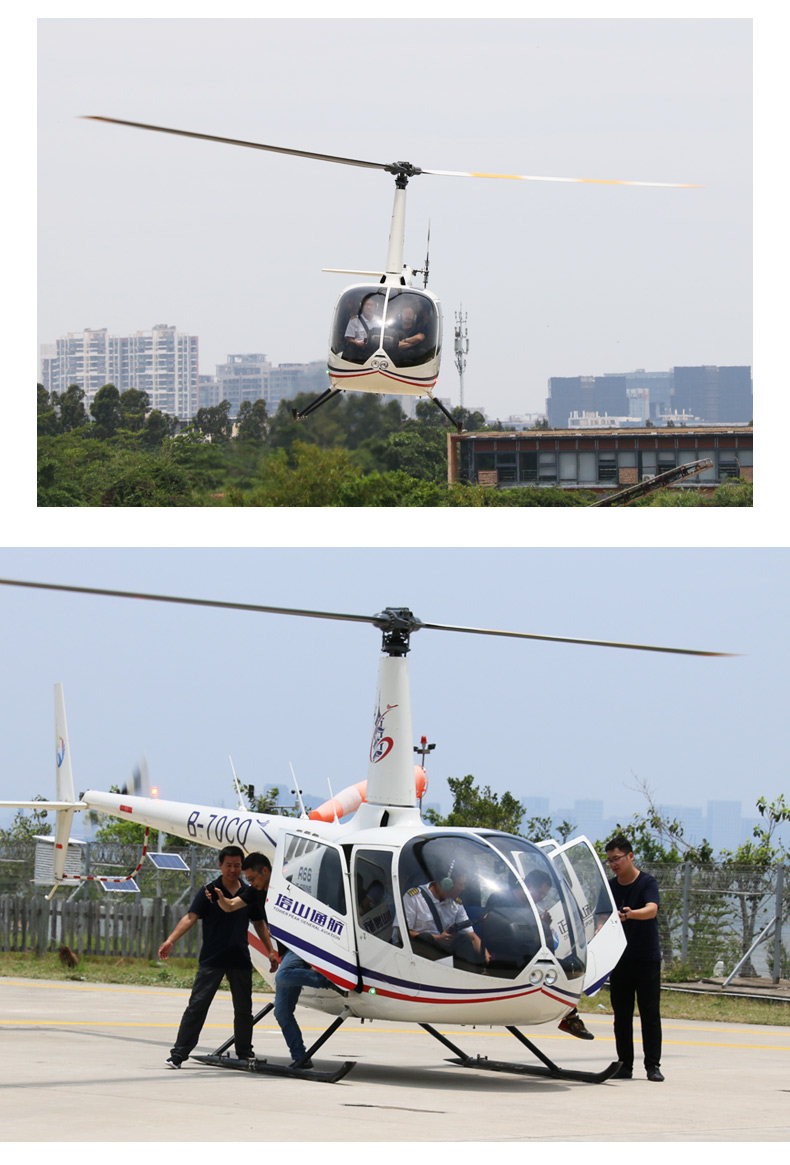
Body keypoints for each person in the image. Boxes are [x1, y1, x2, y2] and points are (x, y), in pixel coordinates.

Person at [158, 845, 271, 1068]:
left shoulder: (250, 891)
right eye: (228, 865)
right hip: (212, 958)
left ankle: (245, 1053)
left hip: (239, 957)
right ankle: (179, 1054)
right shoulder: (210, 890)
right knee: (197, 1006)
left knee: (243, 1009)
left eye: (237, 865)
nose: (233, 870)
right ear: (220, 865)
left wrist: (270, 951)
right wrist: (171, 940)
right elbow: (191, 917)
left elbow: (259, 922)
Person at [486, 868, 593, 1040]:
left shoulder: (532, 907)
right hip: (506, 955)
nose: (541, 898)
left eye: (544, 896)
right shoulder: (499, 898)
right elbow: (495, 929)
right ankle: (571, 1018)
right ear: (528, 886)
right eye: (540, 894)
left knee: (567, 967)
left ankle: (570, 1016)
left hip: (527, 955)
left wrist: (543, 925)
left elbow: (533, 936)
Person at [605, 834, 664, 1081]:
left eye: (617, 858)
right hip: (620, 960)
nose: (614, 864)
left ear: (630, 856)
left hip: (646, 958)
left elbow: (652, 910)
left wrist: (630, 915)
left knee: (650, 1012)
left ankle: (652, 1066)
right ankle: (624, 1065)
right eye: (609, 861)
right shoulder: (610, 886)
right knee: (622, 1014)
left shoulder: (647, 883)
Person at [207, 851, 280, 975]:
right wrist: (220, 897)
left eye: (252, 879)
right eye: (248, 880)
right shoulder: (255, 891)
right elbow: (230, 905)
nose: (251, 883)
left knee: (284, 977)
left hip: (299, 945)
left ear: (265, 871)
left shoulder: (284, 887)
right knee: (284, 981)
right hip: (284, 948)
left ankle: (322, 979)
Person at [273, 950, 346, 1068]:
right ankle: (300, 1057)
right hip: (286, 952)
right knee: (282, 1012)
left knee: (283, 976)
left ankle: (328, 981)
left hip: (296, 947)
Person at [402, 864, 483, 966]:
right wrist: (436, 938)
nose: (463, 888)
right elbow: (402, 934)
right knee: (425, 938)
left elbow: (472, 937)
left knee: (463, 942)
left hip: (442, 953)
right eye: (461, 884)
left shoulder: (456, 903)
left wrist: (485, 957)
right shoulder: (414, 898)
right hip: (419, 954)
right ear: (447, 884)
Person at [342, 293, 380, 362]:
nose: (369, 307)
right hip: (358, 349)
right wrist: (359, 344)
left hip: (374, 350)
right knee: (351, 346)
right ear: (362, 306)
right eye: (366, 305)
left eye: (371, 305)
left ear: (375, 307)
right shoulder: (354, 320)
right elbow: (349, 339)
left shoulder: (380, 321)